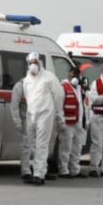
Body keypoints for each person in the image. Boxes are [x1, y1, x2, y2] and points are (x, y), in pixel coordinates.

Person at [22, 52, 65, 186]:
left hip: (45, 115)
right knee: (32, 145)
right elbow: (27, 97)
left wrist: (59, 115)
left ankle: (39, 175)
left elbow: (58, 96)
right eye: (30, 63)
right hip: (31, 115)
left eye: (35, 62)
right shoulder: (27, 80)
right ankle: (41, 170)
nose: (33, 65)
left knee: (42, 144)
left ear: (40, 62)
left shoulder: (49, 77)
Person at [58, 66, 89, 179]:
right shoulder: (63, 87)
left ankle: (75, 170)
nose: (75, 76)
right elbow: (59, 106)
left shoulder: (80, 89)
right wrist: (61, 121)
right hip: (67, 122)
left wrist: (86, 121)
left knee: (77, 148)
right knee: (65, 148)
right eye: (73, 73)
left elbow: (83, 106)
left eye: (77, 74)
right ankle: (63, 170)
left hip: (78, 122)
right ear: (69, 74)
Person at [10, 78, 33, 183]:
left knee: (39, 146)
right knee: (26, 146)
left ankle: (39, 171)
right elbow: (14, 106)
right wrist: (17, 122)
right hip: (26, 120)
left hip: (36, 119)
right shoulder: (20, 86)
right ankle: (26, 171)